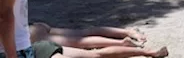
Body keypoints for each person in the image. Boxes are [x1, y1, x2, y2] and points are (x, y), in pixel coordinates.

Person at [27, 23, 167, 57]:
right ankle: (126, 34)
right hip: (34, 27)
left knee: (83, 43)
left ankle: (124, 42)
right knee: (83, 34)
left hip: (32, 38)